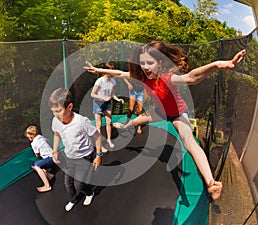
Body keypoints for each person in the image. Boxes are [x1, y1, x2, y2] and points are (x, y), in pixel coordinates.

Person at [85, 40, 246, 200]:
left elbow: (191, 78)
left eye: (150, 63)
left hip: (177, 113)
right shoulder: (142, 77)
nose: (146, 67)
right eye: (142, 63)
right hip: (160, 112)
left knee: (189, 143)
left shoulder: (167, 78)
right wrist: (97, 69)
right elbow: (120, 74)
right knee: (135, 121)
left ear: (160, 62)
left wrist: (218, 64)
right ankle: (124, 125)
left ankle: (212, 183)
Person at [48, 88, 104, 212]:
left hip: (84, 156)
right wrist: (55, 151)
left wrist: (99, 155)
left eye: (58, 111)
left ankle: (89, 193)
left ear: (70, 107)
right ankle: (73, 200)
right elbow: (56, 134)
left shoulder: (81, 122)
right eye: (53, 112)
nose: (56, 115)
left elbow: (97, 136)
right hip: (69, 156)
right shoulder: (56, 121)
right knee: (67, 183)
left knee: (79, 184)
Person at [91, 62, 124, 149]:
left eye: (113, 70)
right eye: (111, 70)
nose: (113, 72)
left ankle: (109, 139)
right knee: (99, 125)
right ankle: (100, 145)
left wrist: (118, 99)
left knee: (109, 122)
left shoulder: (113, 81)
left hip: (107, 103)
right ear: (105, 71)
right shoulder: (100, 81)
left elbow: (112, 94)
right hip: (98, 103)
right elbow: (92, 94)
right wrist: (103, 97)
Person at [24, 125, 55, 193]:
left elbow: (37, 155)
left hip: (50, 159)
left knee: (36, 165)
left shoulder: (34, 143)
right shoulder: (42, 137)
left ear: (31, 135)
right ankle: (49, 175)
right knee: (33, 165)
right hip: (54, 156)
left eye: (28, 136)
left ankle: (47, 185)